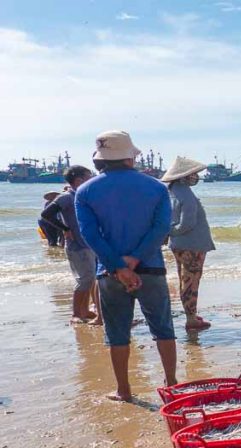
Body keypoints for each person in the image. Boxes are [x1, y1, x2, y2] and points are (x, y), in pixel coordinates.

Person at [75, 130, 176, 402]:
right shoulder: (156, 187)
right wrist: (136, 258)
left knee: (117, 333)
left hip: (109, 272)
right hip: (151, 267)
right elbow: (161, 228)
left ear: (102, 160)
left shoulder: (85, 191)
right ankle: (171, 384)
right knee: (163, 328)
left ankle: (124, 390)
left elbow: (90, 234)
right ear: (129, 157)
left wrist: (119, 265)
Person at [40, 165, 102, 324]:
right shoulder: (66, 197)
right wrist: (65, 229)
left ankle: (85, 310)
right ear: (79, 180)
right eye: (89, 177)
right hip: (76, 246)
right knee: (85, 280)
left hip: (88, 244)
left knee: (91, 279)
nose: (92, 180)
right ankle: (76, 314)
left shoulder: (82, 195)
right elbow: (46, 214)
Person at [161, 157, 215, 330]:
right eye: (192, 174)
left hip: (179, 244)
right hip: (193, 244)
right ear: (183, 176)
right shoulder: (186, 194)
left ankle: (190, 314)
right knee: (191, 280)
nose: (195, 177)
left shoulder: (171, 192)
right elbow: (187, 224)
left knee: (184, 279)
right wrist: (172, 231)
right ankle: (191, 319)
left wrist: (169, 232)